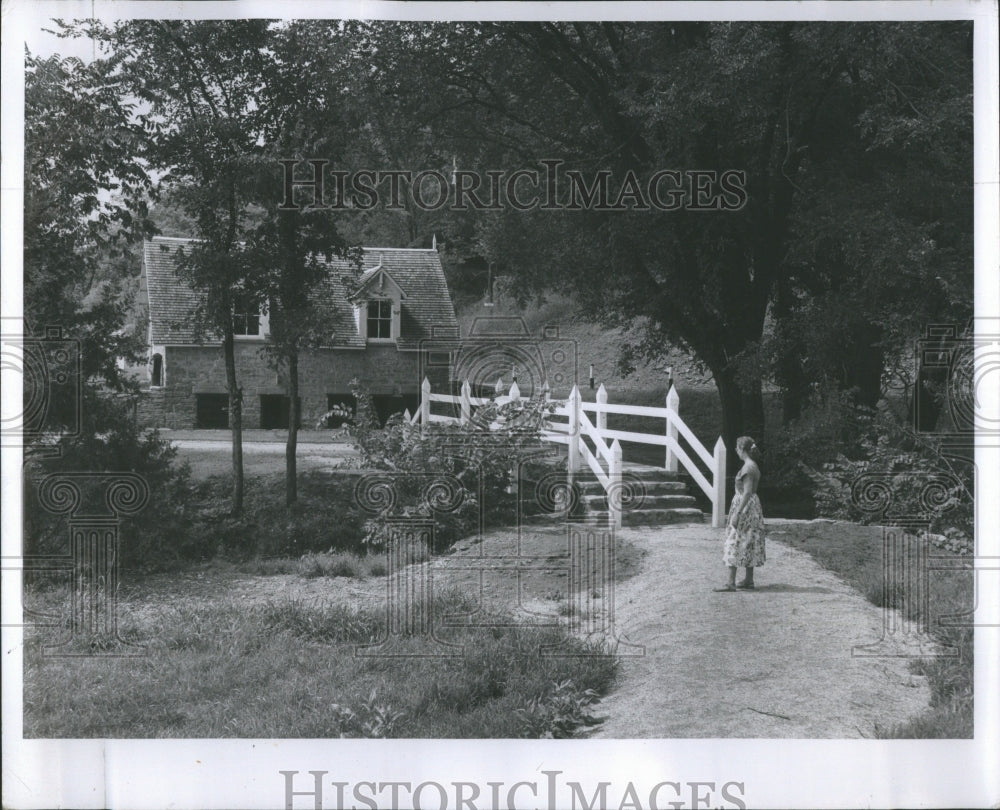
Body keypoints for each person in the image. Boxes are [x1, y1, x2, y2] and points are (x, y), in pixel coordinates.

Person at [715, 435, 767, 591]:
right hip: (752, 507)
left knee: (735, 539)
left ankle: (730, 582)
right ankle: (748, 580)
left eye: (737, 448)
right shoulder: (753, 465)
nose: (736, 451)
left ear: (743, 449)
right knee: (749, 540)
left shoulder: (748, 467)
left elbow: (747, 492)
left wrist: (738, 513)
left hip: (745, 506)